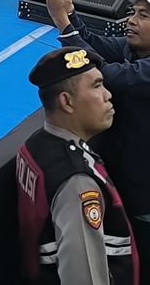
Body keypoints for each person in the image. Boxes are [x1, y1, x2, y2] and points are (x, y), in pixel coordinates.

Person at [46, 0, 150, 285]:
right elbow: (92, 42)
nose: (132, 20)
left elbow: (99, 73)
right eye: (133, 13)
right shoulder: (135, 51)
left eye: (144, 15)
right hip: (141, 197)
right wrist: (70, 12)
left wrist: (61, 21)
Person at [16, 45, 135, 285]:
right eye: (97, 86)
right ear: (67, 102)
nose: (108, 95)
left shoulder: (35, 145)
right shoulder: (77, 182)